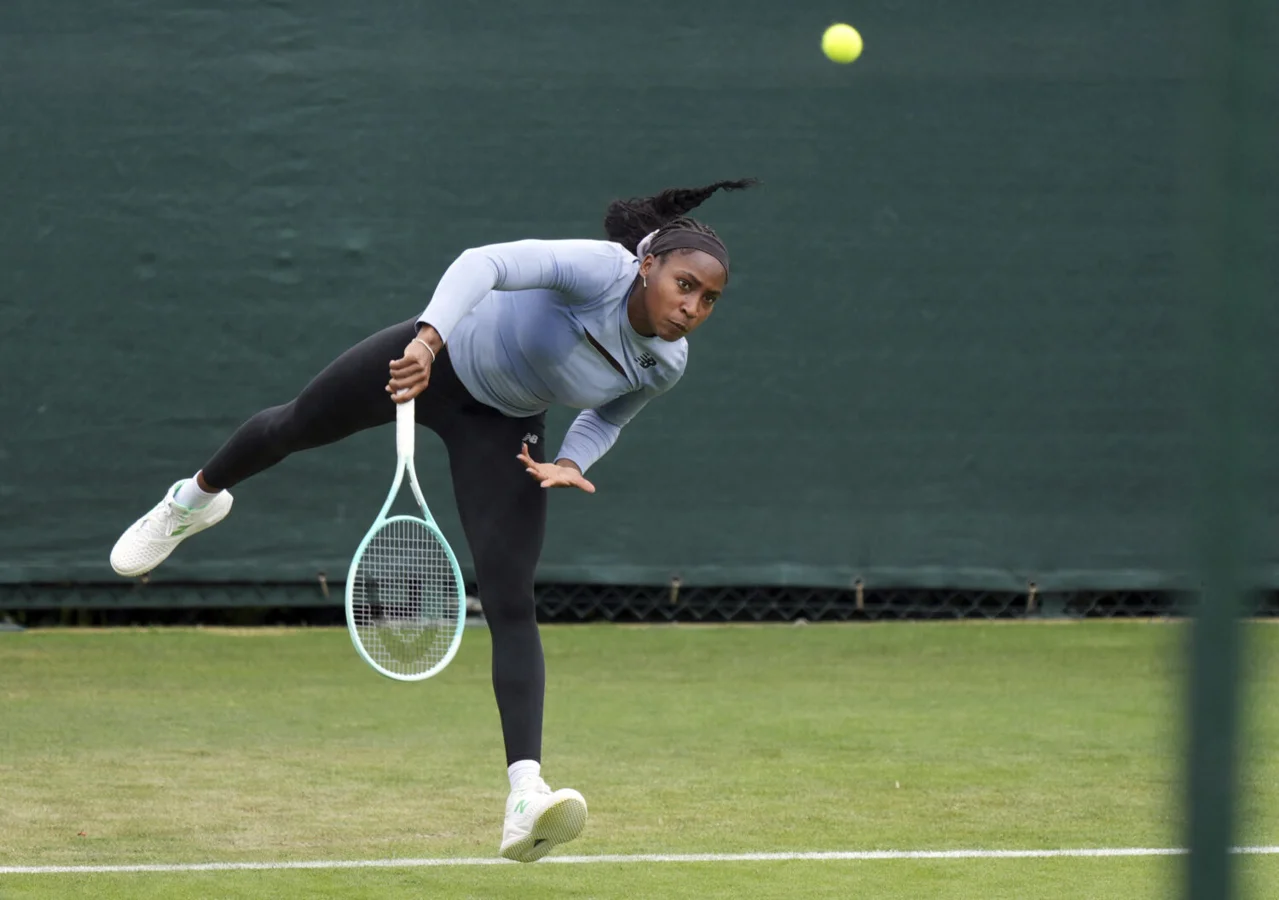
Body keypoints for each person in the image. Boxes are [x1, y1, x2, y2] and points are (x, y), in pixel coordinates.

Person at [109, 178, 757, 861]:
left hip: (503, 430)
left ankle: (525, 796)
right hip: (435, 362)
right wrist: (425, 340)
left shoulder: (665, 362)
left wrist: (570, 459)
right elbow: (485, 263)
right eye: (684, 286)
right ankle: (193, 500)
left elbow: (611, 414)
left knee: (512, 601)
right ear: (648, 265)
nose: (691, 308)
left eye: (708, 300)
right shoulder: (598, 269)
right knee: (294, 424)